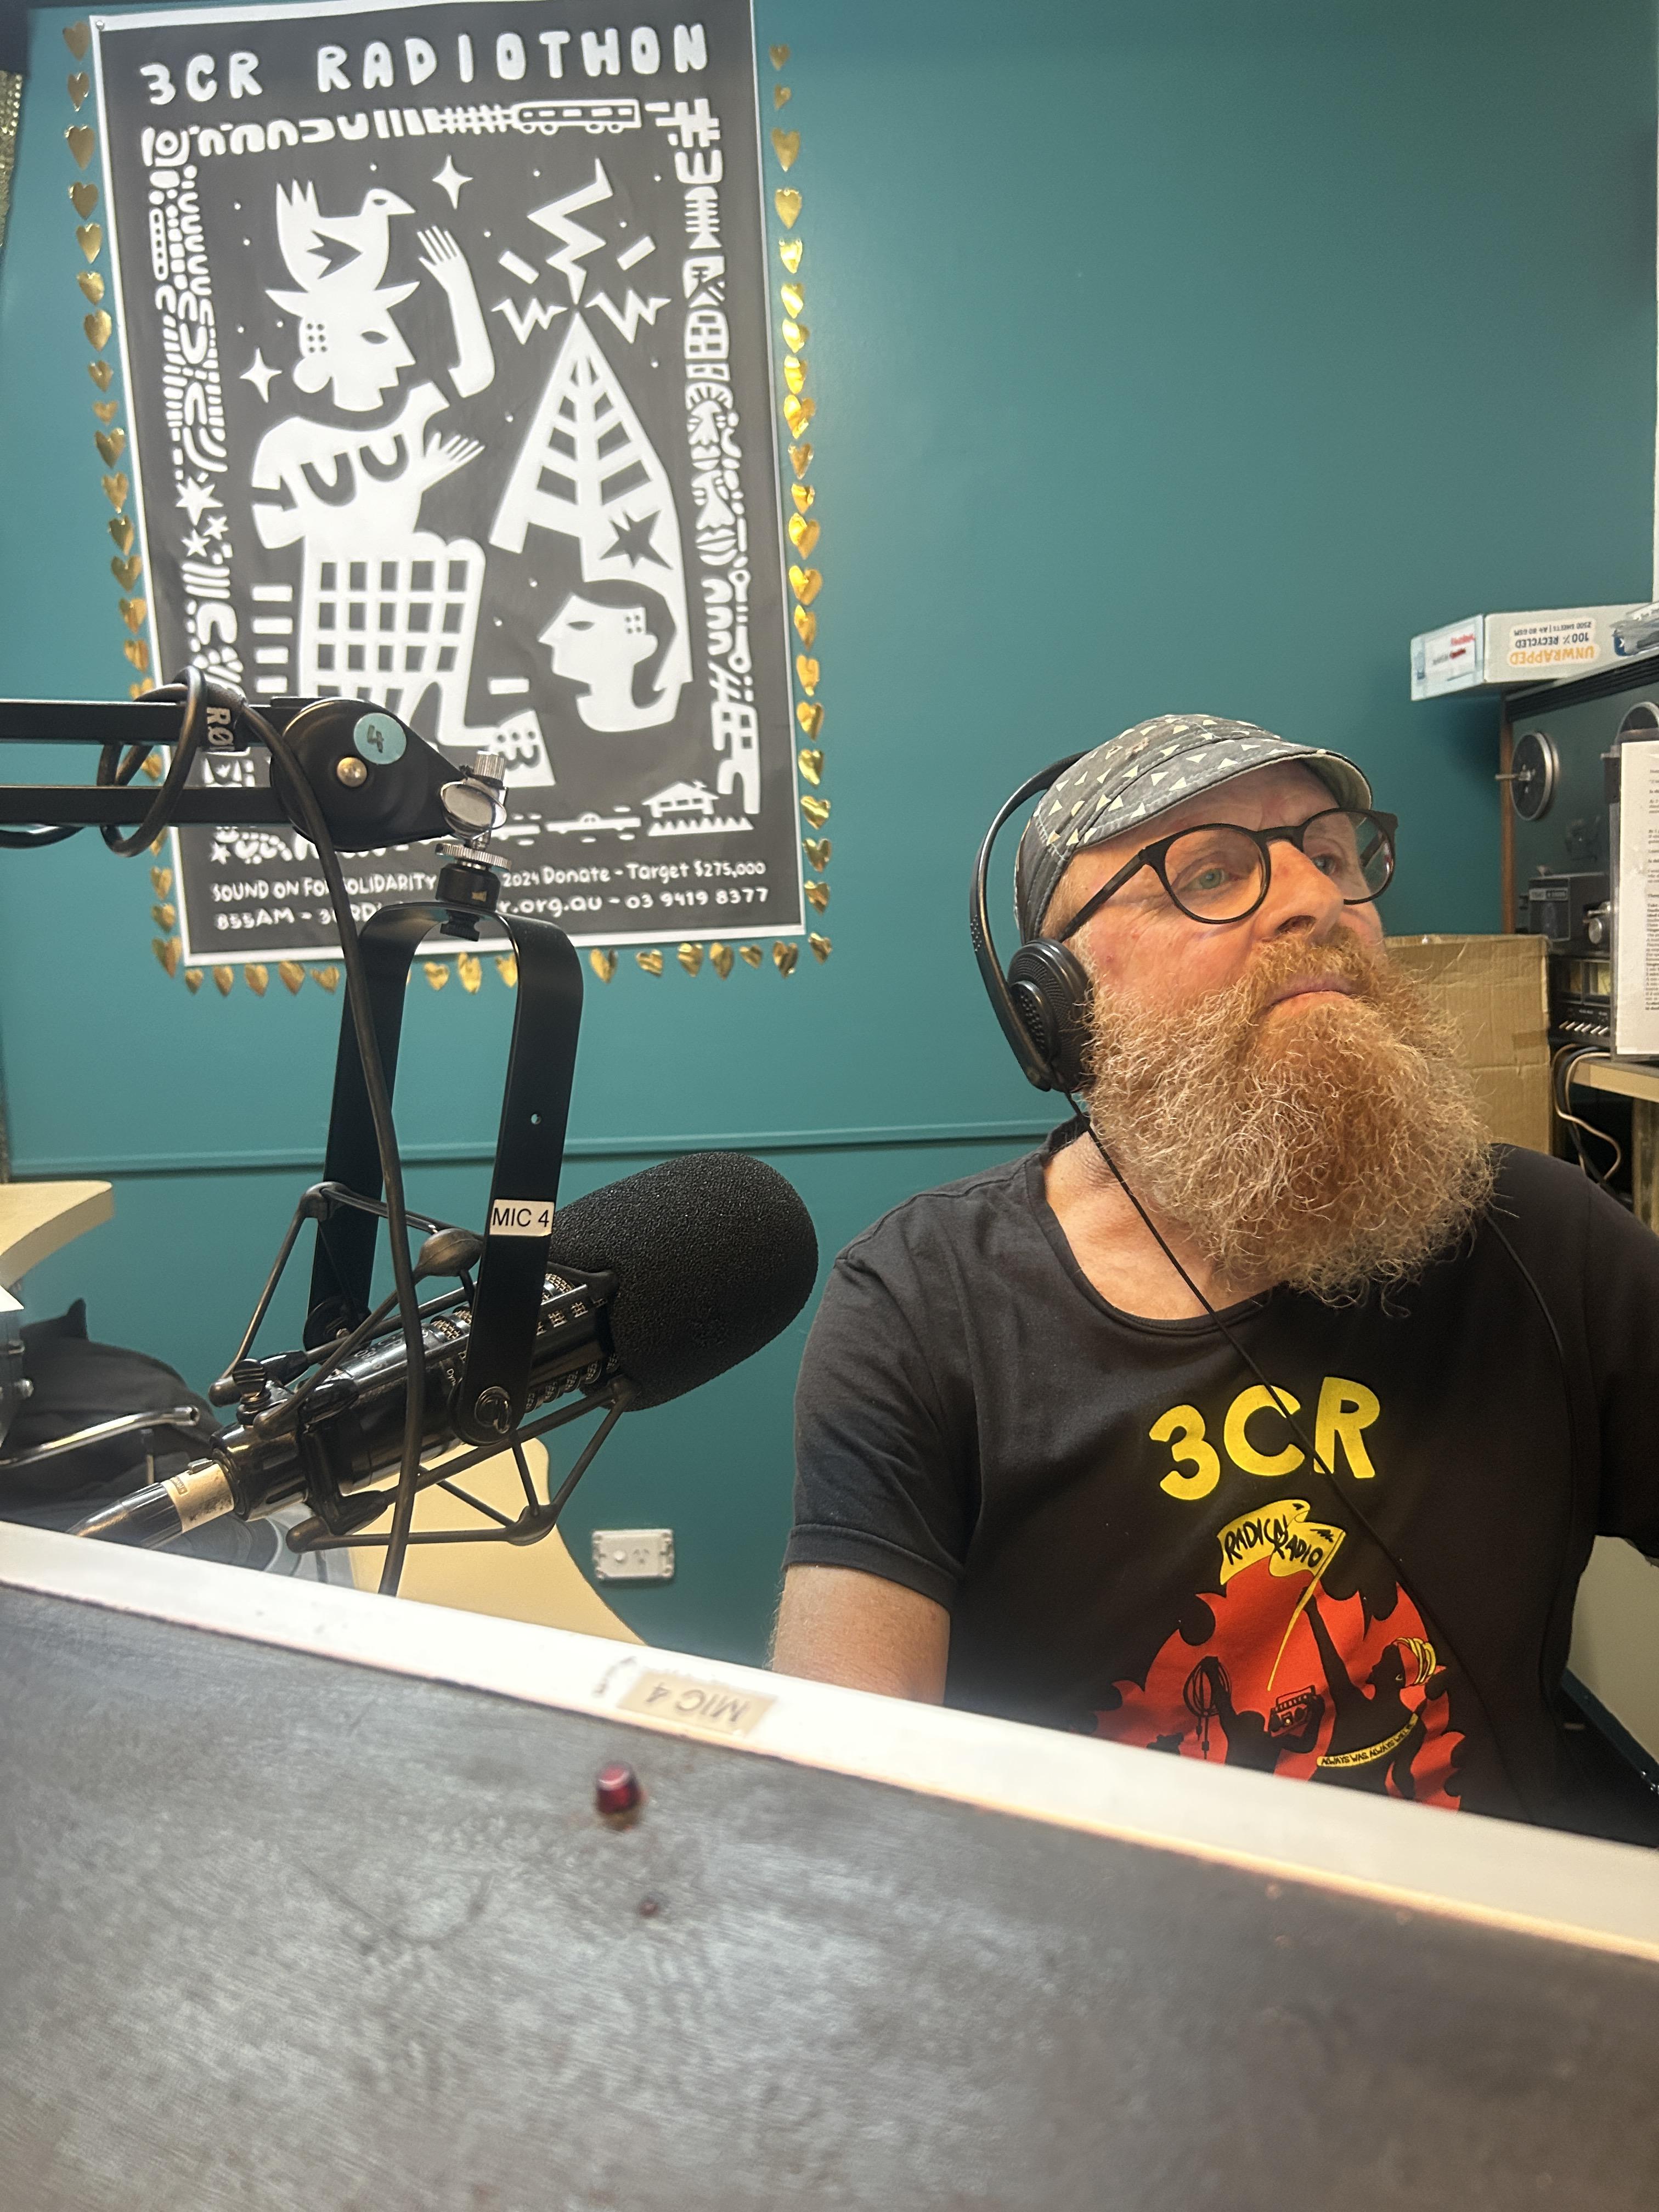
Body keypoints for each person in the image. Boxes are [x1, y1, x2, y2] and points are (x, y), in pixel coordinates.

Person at [772, 713, 1659, 1826]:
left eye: (1333, 856)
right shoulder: (918, 1302)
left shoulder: (1542, 1236)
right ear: (1054, 1000)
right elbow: (839, 1779)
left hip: (1482, 1961)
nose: (1316, 900)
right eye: (1210, 873)